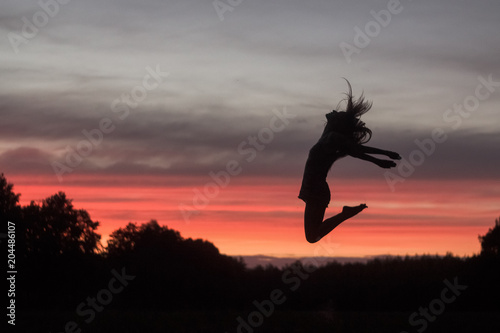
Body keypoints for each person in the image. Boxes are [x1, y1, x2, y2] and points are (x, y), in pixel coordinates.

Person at [299, 81, 401, 243]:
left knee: (312, 237)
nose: (333, 111)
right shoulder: (328, 136)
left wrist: (380, 159)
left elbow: (355, 151)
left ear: (338, 123)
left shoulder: (332, 138)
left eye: (336, 113)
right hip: (314, 189)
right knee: (312, 235)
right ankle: (345, 214)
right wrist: (383, 155)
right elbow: (354, 149)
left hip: (315, 190)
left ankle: (345, 214)